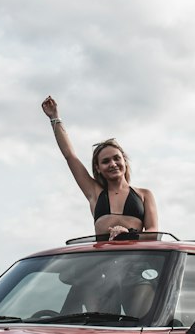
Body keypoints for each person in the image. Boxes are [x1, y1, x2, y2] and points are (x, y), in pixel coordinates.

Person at [41, 96, 158, 239]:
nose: (113, 164)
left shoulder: (144, 195)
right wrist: (54, 117)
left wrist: (128, 235)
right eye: (106, 161)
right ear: (97, 167)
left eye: (116, 158)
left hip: (135, 260)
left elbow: (153, 232)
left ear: (124, 161)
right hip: (103, 259)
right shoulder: (95, 192)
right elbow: (70, 156)